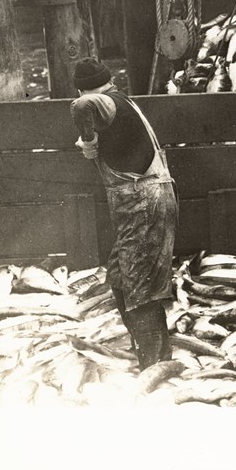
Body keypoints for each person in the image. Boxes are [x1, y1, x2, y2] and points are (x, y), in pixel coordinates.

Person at [70, 57, 178, 371]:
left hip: (145, 204)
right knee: (120, 276)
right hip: (142, 205)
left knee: (139, 285)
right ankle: (153, 349)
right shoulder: (121, 101)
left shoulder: (108, 104)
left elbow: (81, 107)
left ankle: (153, 364)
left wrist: (89, 142)